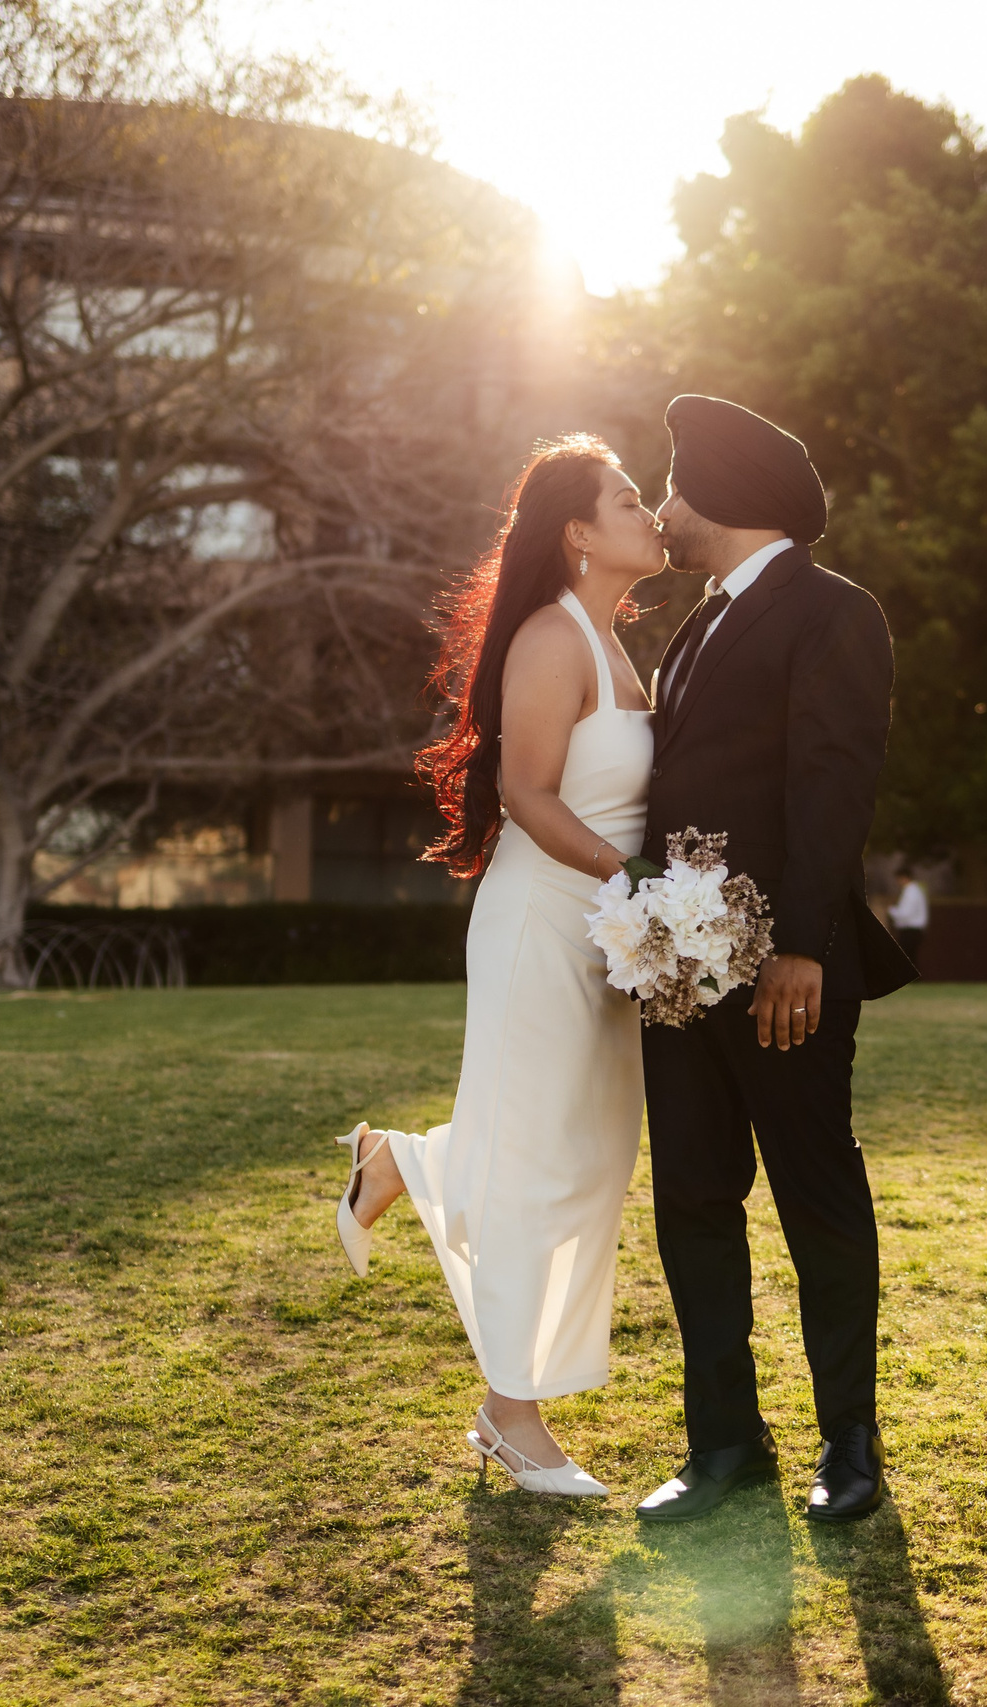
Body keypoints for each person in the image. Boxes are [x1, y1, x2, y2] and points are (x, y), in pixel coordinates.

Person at [330, 435, 662, 1497]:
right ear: (578, 532)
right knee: (532, 1161)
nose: (652, 513)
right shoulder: (551, 638)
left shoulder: (620, 648)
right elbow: (527, 793)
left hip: (609, 930)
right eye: (629, 499)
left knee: (591, 1156)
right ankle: (510, 1417)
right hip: (542, 920)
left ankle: (400, 1162)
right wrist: (631, 879)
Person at [631, 395, 918, 1528]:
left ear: (723, 491)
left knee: (816, 1196)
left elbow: (833, 785)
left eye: (673, 486)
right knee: (693, 1199)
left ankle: (850, 1443)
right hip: (676, 971)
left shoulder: (834, 612)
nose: (661, 509)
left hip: (786, 973)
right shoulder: (698, 622)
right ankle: (724, 1444)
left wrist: (801, 945)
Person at [889, 872, 929, 967]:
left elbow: (905, 913)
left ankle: (912, 975)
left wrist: (890, 910)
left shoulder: (911, 892)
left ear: (904, 878)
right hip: (913, 929)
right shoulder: (914, 890)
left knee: (907, 957)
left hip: (910, 929)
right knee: (910, 957)